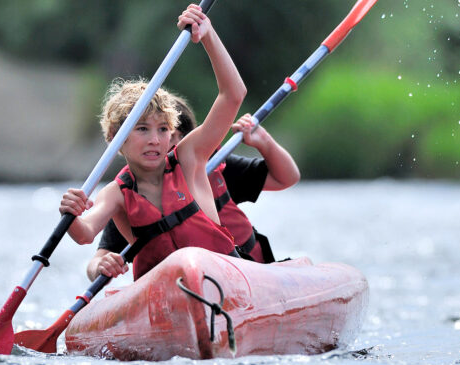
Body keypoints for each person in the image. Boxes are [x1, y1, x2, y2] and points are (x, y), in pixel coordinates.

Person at [59, 3, 246, 281]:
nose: (155, 140)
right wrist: (71, 214)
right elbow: (85, 233)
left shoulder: (189, 158)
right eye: (142, 129)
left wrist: (207, 35)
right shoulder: (117, 194)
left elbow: (233, 94)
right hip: (165, 293)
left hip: (224, 280)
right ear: (115, 139)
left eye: (163, 129)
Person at [86, 99, 300, 281]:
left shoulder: (214, 167)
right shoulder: (132, 199)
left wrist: (265, 143)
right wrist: (100, 266)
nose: (164, 145)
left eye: (169, 134)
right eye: (149, 131)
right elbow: (97, 259)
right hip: (177, 290)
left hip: (244, 275)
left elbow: (286, 178)